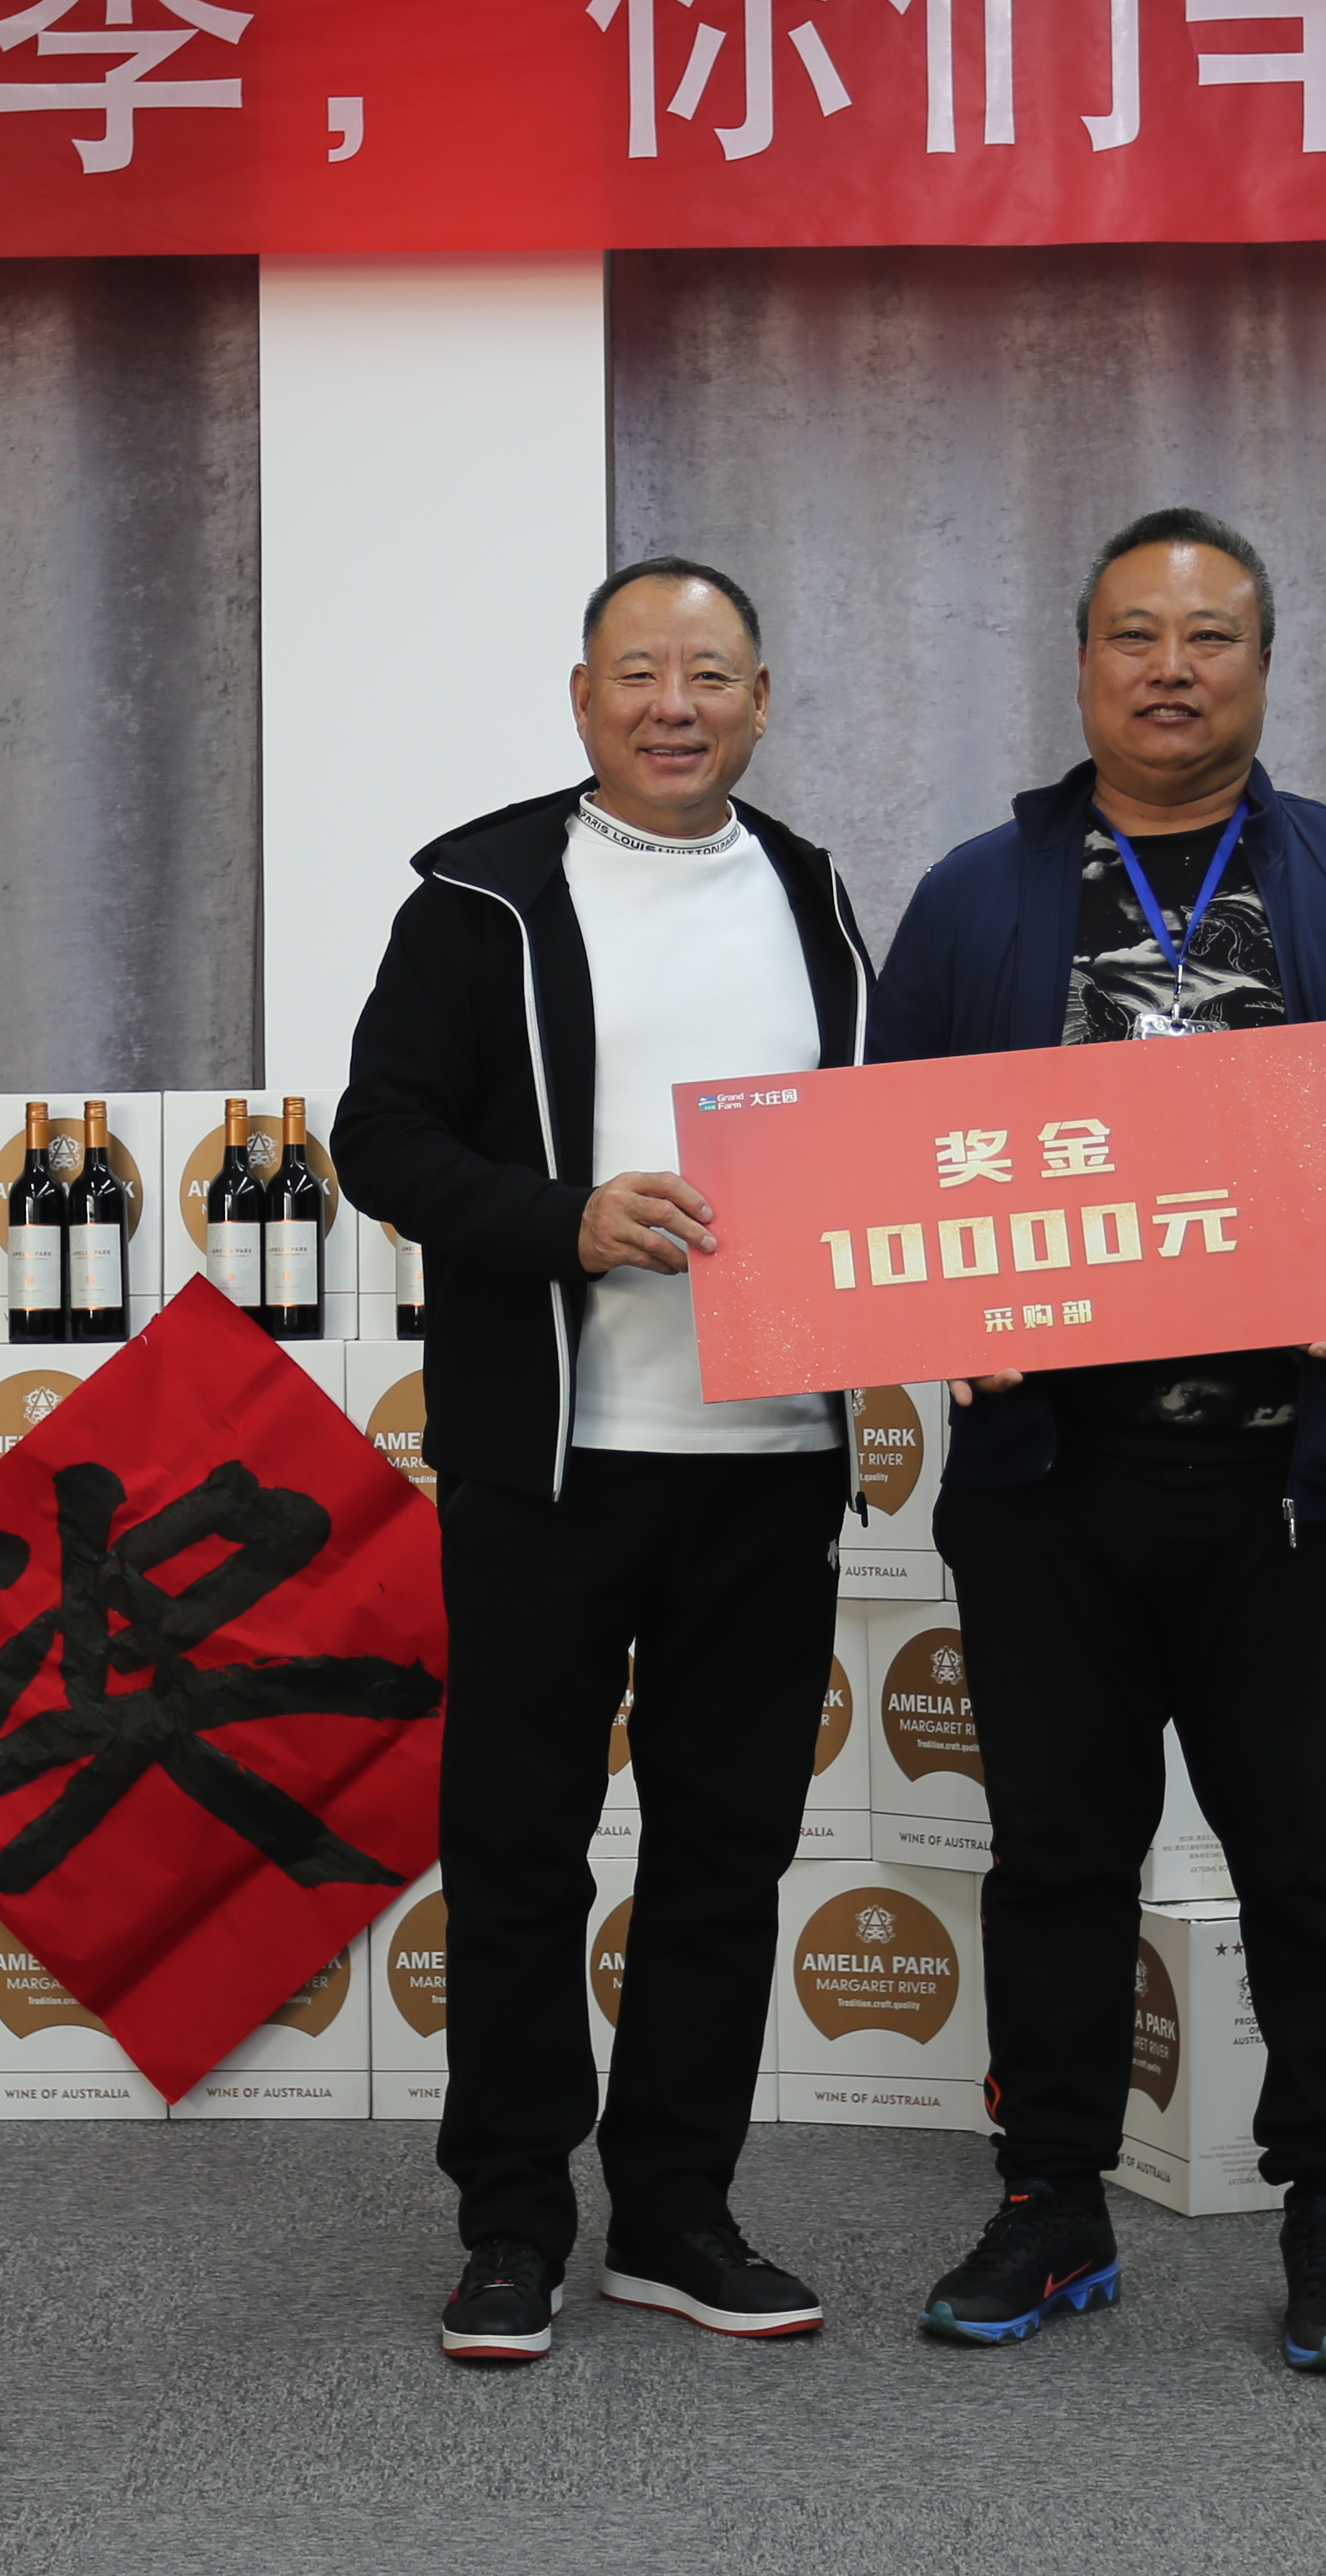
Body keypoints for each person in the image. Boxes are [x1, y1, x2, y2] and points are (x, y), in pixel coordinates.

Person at [869, 505, 1326, 2373]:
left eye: (1211, 636)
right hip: (1049, 1485)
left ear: (1264, 663)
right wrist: (937, 1311)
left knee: (1317, 1866)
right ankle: (1050, 2200)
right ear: (1083, 662)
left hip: (1299, 1484)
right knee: (1055, 1855)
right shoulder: (975, 898)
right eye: (1135, 634)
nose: (1171, 668)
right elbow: (884, 1160)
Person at [331, 554, 878, 2364]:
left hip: (770, 1458)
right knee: (519, 1851)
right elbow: (379, 1136)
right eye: (638, 671)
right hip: (551, 1461)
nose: (674, 704)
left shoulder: (812, 892)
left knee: (726, 1850)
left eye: (710, 673)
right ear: (583, 699)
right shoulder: (481, 894)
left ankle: (675, 2214)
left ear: (761, 699)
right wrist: (561, 1219)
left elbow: (880, 1144)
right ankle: (511, 2224)